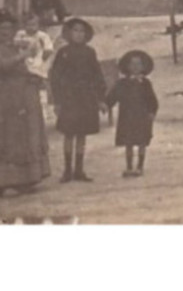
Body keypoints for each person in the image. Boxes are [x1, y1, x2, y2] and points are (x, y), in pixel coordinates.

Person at [0, 8, 50, 197]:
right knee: (9, 134)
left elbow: (32, 63)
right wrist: (22, 56)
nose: (6, 32)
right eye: (2, 28)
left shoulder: (18, 45)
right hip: (8, 96)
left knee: (27, 132)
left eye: (9, 28)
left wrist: (35, 75)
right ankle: (4, 179)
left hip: (25, 92)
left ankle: (27, 177)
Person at [49, 17, 107, 183]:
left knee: (82, 134)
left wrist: (101, 98)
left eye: (82, 31)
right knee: (69, 133)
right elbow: (55, 77)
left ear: (86, 34)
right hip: (69, 98)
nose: (78, 34)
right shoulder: (63, 53)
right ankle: (67, 170)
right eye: (75, 30)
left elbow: (97, 75)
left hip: (86, 97)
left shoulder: (90, 52)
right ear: (68, 33)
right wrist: (57, 101)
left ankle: (79, 170)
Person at [105, 50, 159, 178]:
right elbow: (113, 96)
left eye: (138, 64)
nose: (135, 67)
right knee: (128, 142)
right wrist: (106, 104)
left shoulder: (146, 84)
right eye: (132, 64)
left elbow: (153, 100)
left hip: (142, 117)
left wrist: (152, 112)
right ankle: (129, 166)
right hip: (127, 117)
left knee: (142, 142)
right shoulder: (122, 84)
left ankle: (140, 166)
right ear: (127, 67)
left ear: (143, 67)